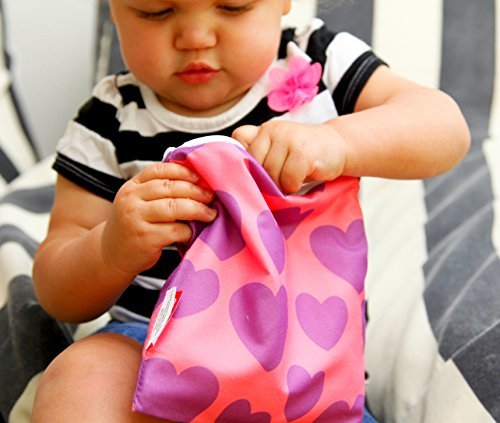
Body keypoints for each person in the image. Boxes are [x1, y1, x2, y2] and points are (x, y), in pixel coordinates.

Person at [31, 0, 470, 421]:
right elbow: (57, 291)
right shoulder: (109, 120)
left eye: (233, 7)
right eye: (156, 11)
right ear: (114, 8)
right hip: (150, 352)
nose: (196, 37)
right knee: (82, 379)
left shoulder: (319, 62)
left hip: (306, 373)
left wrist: (339, 141)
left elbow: (444, 126)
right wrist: (110, 249)